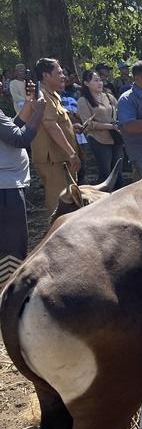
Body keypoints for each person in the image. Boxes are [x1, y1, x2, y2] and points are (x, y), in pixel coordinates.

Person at [0, 91, 44, 286]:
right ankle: (9, 291)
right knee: (11, 246)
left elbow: (10, 131)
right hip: (6, 189)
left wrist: (28, 106)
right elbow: (19, 139)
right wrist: (39, 112)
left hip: (7, 185)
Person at [30, 58, 80, 214]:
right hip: (52, 159)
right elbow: (51, 126)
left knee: (70, 199)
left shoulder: (53, 96)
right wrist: (71, 153)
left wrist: (72, 128)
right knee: (58, 202)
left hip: (61, 157)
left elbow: (58, 124)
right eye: (59, 72)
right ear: (46, 76)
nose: (63, 76)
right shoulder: (42, 96)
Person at [77, 69, 124, 186]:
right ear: (86, 83)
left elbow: (119, 111)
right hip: (98, 139)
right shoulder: (83, 100)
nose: (100, 83)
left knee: (118, 171)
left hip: (115, 138)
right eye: (96, 80)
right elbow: (87, 124)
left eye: (100, 80)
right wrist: (110, 127)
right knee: (106, 173)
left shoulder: (108, 96)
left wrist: (118, 125)